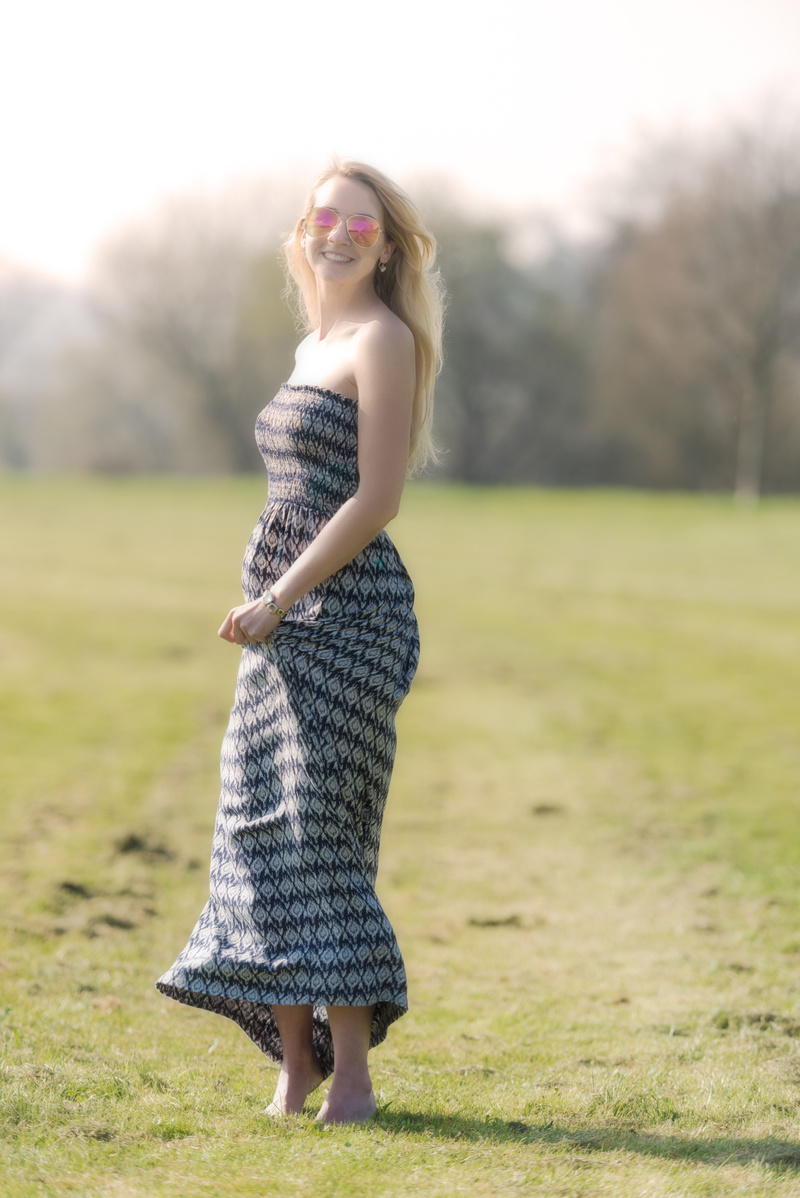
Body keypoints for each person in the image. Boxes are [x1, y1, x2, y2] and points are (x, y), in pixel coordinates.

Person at [155, 160, 444, 1125]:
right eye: (324, 217)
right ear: (304, 229)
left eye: (358, 226)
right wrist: (266, 601)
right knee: (257, 830)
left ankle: (352, 1070)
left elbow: (377, 499)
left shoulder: (384, 340)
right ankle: (294, 1063)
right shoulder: (310, 340)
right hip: (276, 618)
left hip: (348, 619)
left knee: (321, 836)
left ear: (387, 245)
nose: (336, 234)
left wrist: (278, 595)